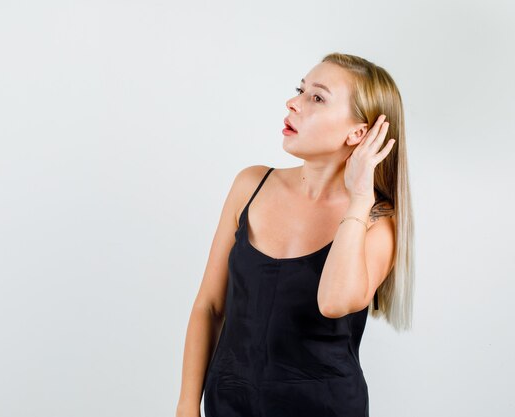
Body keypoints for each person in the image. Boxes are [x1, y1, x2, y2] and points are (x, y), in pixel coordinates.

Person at [176, 52, 415, 417]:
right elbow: (209, 306)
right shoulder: (251, 184)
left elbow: (333, 302)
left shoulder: (377, 221)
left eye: (316, 97)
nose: (293, 103)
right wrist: (186, 406)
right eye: (300, 90)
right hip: (228, 406)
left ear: (359, 133)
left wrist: (360, 198)